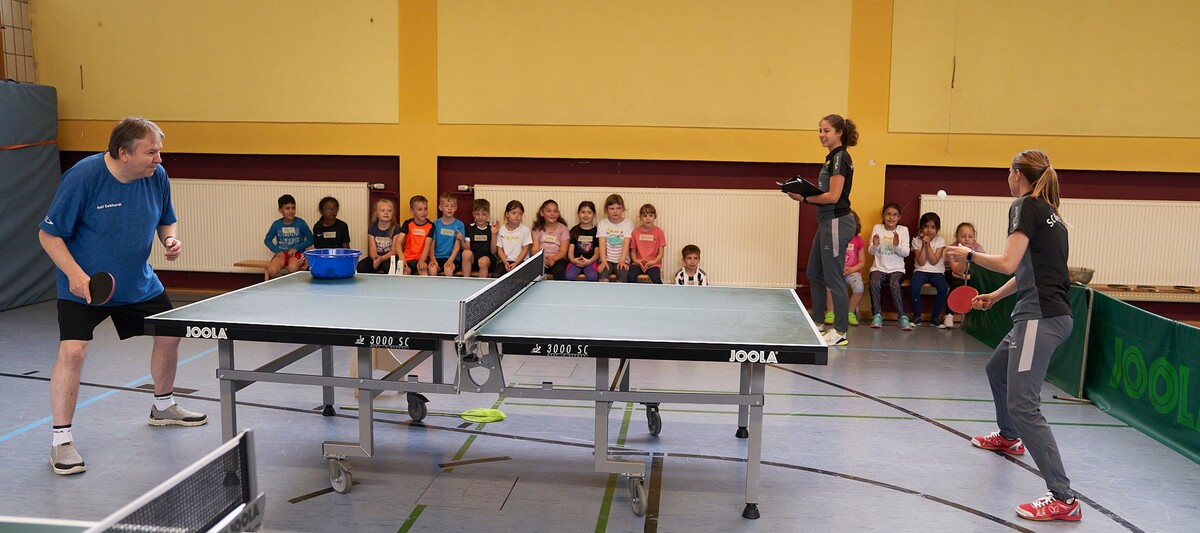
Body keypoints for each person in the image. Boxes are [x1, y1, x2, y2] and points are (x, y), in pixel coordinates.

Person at [37, 117, 207, 476]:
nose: (159, 159)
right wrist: (75, 275)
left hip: (137, 282)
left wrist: (170, 238)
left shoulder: (156, 176)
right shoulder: (83, 177)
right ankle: (61, 441)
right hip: (85, 284)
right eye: (151, 152)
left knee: (170, 333)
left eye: (159, 151)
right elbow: (49, 235)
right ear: (123, 153)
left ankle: (163, 406)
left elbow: (166, 218)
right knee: (73, 351)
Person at [945, 150, 1079, 522]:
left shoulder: (1024, 205)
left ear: (1017, 174)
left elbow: (1006, 262)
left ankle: (1063, 497)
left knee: (1024, 406)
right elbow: (1027, 271)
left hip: (1040, 319)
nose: (1007, 177)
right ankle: (1008, 436)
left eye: (1008, 171)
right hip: (1043, 315)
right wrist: (996, 295)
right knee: (996, 369)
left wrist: (969, 254)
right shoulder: (1053, 216)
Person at [787, 114, 857, 346]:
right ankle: (817, 321)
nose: (821, 135)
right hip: (826, 221)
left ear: (839, 133)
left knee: (834, 278)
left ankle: (840, 331)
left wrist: (805, 198)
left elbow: (833, 196)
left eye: (826, 131)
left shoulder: (840, 158)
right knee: (814, 272)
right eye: (820, 130)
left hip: (837, 221)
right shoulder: (831, 158)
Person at [867, 202, 912, 330]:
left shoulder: (903, 230)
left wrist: (896, 245)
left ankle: (902, 316)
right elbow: (871, 251)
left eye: (894, 215)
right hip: (879, 268)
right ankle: (877, 314)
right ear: (883, 215)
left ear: (899, 217)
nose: (891, 218)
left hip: (897, 269)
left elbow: (906, 253)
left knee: (894, 284)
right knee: (874, 283)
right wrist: (875, 245)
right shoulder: (877, 228)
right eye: (888, 214)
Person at [824, 210, 864, 326]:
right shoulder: (834, 238)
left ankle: (850, 313)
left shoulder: (858, 240)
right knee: (829, 287)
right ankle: (830, 312)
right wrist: (836, 269)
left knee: (859, 288)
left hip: (853, 272)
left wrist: (852, 269)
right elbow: (829, 258)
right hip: (836, 271)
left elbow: (862, 262)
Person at [910, 212, 949, 328]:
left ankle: (935, 317)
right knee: (914, 286)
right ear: (921, 228)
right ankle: (917, 316)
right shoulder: (916, 241)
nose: (929, 230)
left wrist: (928, 246)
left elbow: (934, 261)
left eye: (933, 227)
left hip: (937, 272)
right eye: (926, 226)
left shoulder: (940, 241)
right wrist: (923, 245)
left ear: (937, 229)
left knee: (943, 288)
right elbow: (921, 262)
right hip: (920, 271)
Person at [944, 222, 985, 328]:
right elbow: (957, 271)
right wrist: (965, 257)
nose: (967, 239)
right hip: (954, 273)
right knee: (956, 284)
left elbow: (982, 269)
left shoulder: (977, 247)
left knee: (978, 284)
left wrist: (968, 277)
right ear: (956, 236)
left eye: (970, 236)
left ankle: (974, 317)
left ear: (974, 237)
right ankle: (949, 315)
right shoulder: (952, 248)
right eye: (963, 236)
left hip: (972, 273)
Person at [264, 194, 314, 279]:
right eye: (287, 208)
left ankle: (292, 283)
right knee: (272, 270)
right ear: (280, 210)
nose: (291, 211)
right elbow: (267, 240)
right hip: (281, 254)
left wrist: (296, 248)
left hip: (297, 254)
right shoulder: (277, 224)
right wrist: (277, 251)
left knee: (292, 267)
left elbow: (311, 239)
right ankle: (283, 283)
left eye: (293, 208)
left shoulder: (301, 223)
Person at [596, 193, 634, 282]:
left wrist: (622, 261)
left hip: (622, 259)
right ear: (606, 210)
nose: (615, 211)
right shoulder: (602, 224)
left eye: (618, 208)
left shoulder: (628, 223)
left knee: (623, 275)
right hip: (607, 259)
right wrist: (603, 261)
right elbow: (602, 244)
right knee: (602, 274)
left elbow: (626, 243)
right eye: (612, 209)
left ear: (623, 209)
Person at [357, 197, 399, 274]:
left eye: (389, 211)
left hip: (389, 257)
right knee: (361, 266)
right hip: (377, 257)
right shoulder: (372, 228)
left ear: (393, 213)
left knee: (388, 268)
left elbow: (394, 251)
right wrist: (375, 258)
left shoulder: (396, 228)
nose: (386, 213)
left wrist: (382, 258)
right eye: (383, 210)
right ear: (376, 213)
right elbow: (372, 249)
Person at [531, 199, 570, 280]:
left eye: (555, 211)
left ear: (558, 213)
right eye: (549, 211)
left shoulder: (563, 229)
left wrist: (553, 259)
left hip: (558, 259)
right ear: (542, 213)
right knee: (534, 270)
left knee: (559, 270)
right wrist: (542, 259)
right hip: (542, 258)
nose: (552, 214)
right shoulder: (537, 229)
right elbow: (535, 249)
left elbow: (563, 251)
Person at [629, 204, 667, 284]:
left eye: (651, 215)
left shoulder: (659, 232)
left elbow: (661, 253)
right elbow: (633, 251)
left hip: (653, 264)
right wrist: (636, 261)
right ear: (640, 218)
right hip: (638, 263)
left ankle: (662, 292)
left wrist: (654, 262)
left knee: (656, 278)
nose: (648, 218)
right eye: (645, 216)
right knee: (630, 277)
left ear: (655, 217)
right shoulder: (635, 232)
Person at [397, 195, 434, 275]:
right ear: (412, 211)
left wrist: (422, 260)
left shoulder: (431, 225)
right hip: (408, 258)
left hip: (423, 258)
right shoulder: (407, 224)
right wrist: (401, 257)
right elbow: (398, 242)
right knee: (405, 271)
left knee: (423, 270)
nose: (423, 212)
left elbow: (428, 244)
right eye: (420, 209)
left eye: (425, 209)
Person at [430, 193, 466, 276]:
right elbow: (432, 242)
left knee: (448, 270)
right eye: (446, 206)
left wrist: (450, 260)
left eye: (452, 206)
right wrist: (432, 258)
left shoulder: (459, 224)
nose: (450, 208)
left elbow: (457, 244)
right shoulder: (435, 224)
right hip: (438, 257)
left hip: (453, 258)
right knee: (432, 268)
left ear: (456, 208)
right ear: (440, 207)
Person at [565, 201, 601, 281]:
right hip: (576, 261)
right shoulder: (574, 230)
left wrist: (589, 261)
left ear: (594, 214)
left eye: (589, 212)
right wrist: (573, 260)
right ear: (578, 214)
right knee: (569, 276)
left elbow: (597, 253)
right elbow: (570, 251)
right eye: (583, 212)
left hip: (590, 262)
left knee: (593, 277)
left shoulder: (597, 231)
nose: (585, 215)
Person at [494, 200, 532, 273]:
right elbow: (499, 249)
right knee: (496, 275)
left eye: (520, 214)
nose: (517, 216)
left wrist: (516, 263)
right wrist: (505, 262)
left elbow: (525, 249)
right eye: (514, 213)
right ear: (507, 214)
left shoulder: (525, 230)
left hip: (521, 261)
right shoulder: (501, 230)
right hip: (506, 261)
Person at [461, 199, 495, 278]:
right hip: (473, 258)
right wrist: (461, 240)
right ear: (473, 214)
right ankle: (466, 281)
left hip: (487, 259)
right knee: (466, 253)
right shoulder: (469, 228)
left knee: (482, 261)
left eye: (484, 214)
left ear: (488, 214)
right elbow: (467, 248)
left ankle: (482, 285)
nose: (480, 217)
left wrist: (493, 234)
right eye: (477, 214)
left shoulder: (491, 229)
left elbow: (493, 251)